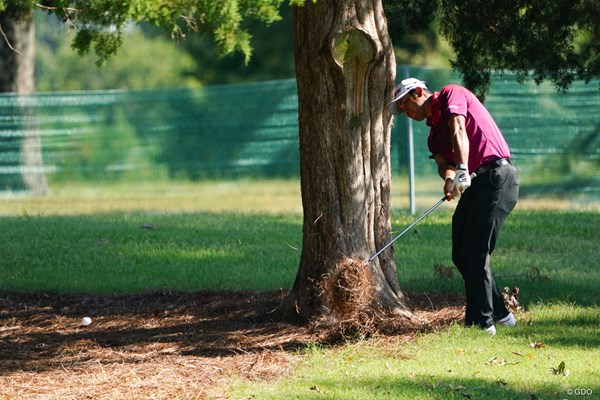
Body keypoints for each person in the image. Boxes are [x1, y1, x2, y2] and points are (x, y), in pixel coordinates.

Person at [389, 78, 519, 336]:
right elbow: (442, 163)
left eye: (405, 103)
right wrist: (450, 178)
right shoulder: (433, 136)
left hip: (497, 177)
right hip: (475, 184)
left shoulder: (451, 94)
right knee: (461, 253)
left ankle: (481, 324)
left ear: (418, 91)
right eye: (400, 109)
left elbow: (459, 127)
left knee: (476, 250)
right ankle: (502, 315)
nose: (405, 111)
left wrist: (462, 169)